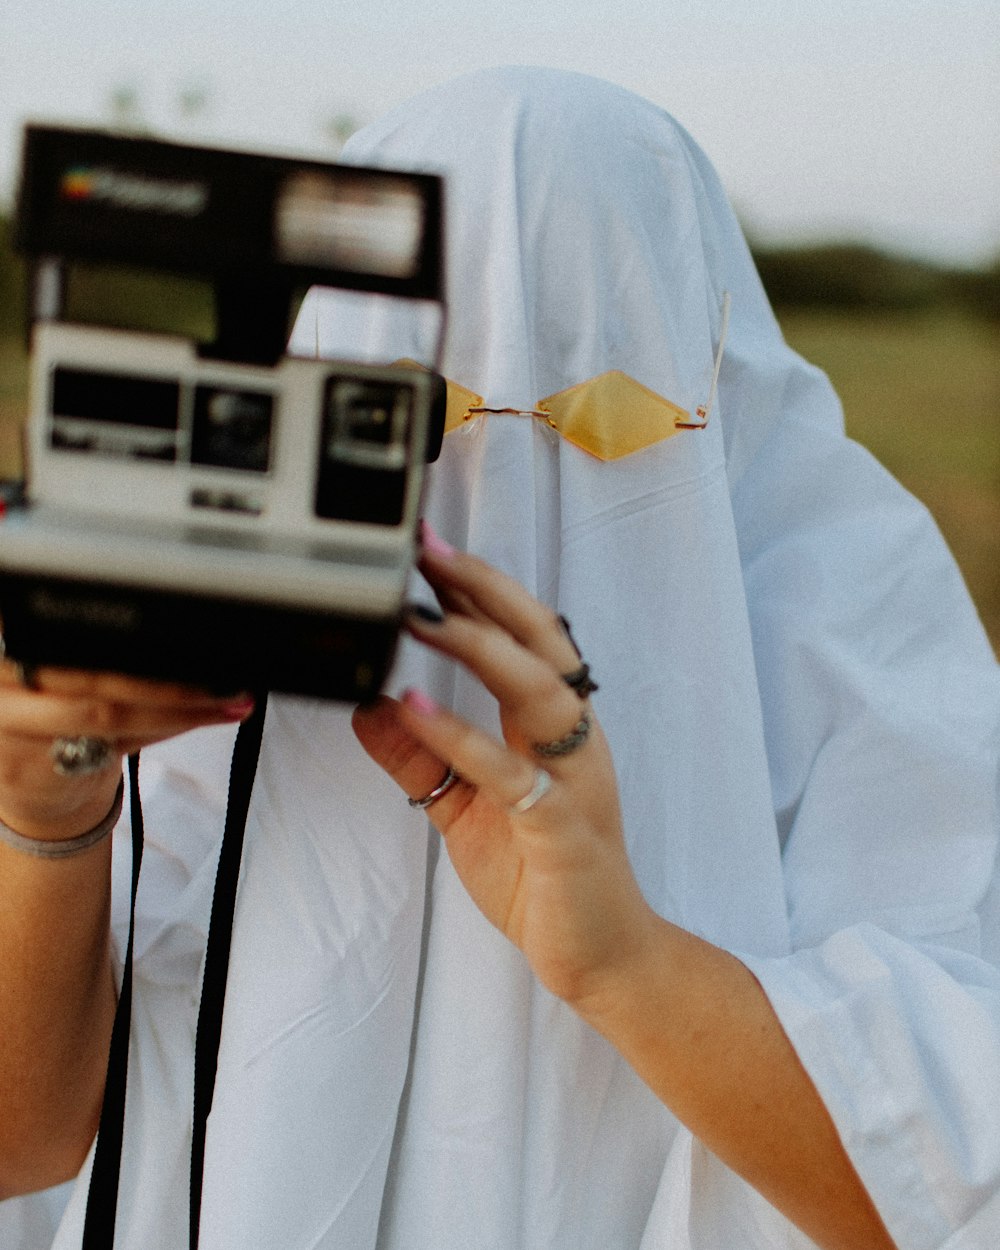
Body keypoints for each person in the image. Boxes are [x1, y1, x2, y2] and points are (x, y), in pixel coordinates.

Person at [1, 65, 999, 1250]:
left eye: (608, 415)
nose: (512, 483)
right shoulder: (204, 637)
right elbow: (27, 1145)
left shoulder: (856, 620)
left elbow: (945, 1194)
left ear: (713, 379)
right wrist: (44, 804)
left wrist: (627, 961)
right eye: (422, 410)